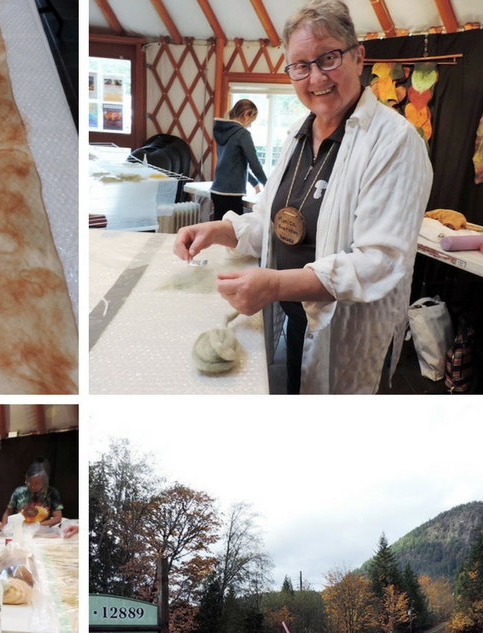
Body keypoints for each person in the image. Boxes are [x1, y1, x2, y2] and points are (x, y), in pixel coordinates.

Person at [174, 0, 432, 394]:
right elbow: (273, 221)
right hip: (300, 318)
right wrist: (220, 229)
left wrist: (275, 285)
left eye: (328, 58)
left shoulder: (395, 141)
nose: (316, 77)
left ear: (358, 57)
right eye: (300, 65)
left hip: (349, 332)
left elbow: (380, 261)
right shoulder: (298, 132)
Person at [210, 99, 267, 221]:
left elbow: (235, 163)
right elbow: (254, 164)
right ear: (246, 114)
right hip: (231, 194)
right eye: (252, 120)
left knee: (219, 233)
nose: (250, 125)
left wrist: (255, 183)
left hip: (217, 191)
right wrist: (269, 185)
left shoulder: (222, 131)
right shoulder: (242, 134)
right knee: (234, 233)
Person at [0, 457, 63, 528]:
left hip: (42, 532)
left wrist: (37, 526)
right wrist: (3, 527)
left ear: (44, 483)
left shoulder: (52, 493)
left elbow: (58, 517)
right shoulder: (19, 492)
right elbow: (7, 513)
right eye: (29, 483)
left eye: (37, 484)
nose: (32, 486)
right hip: (21, 531)